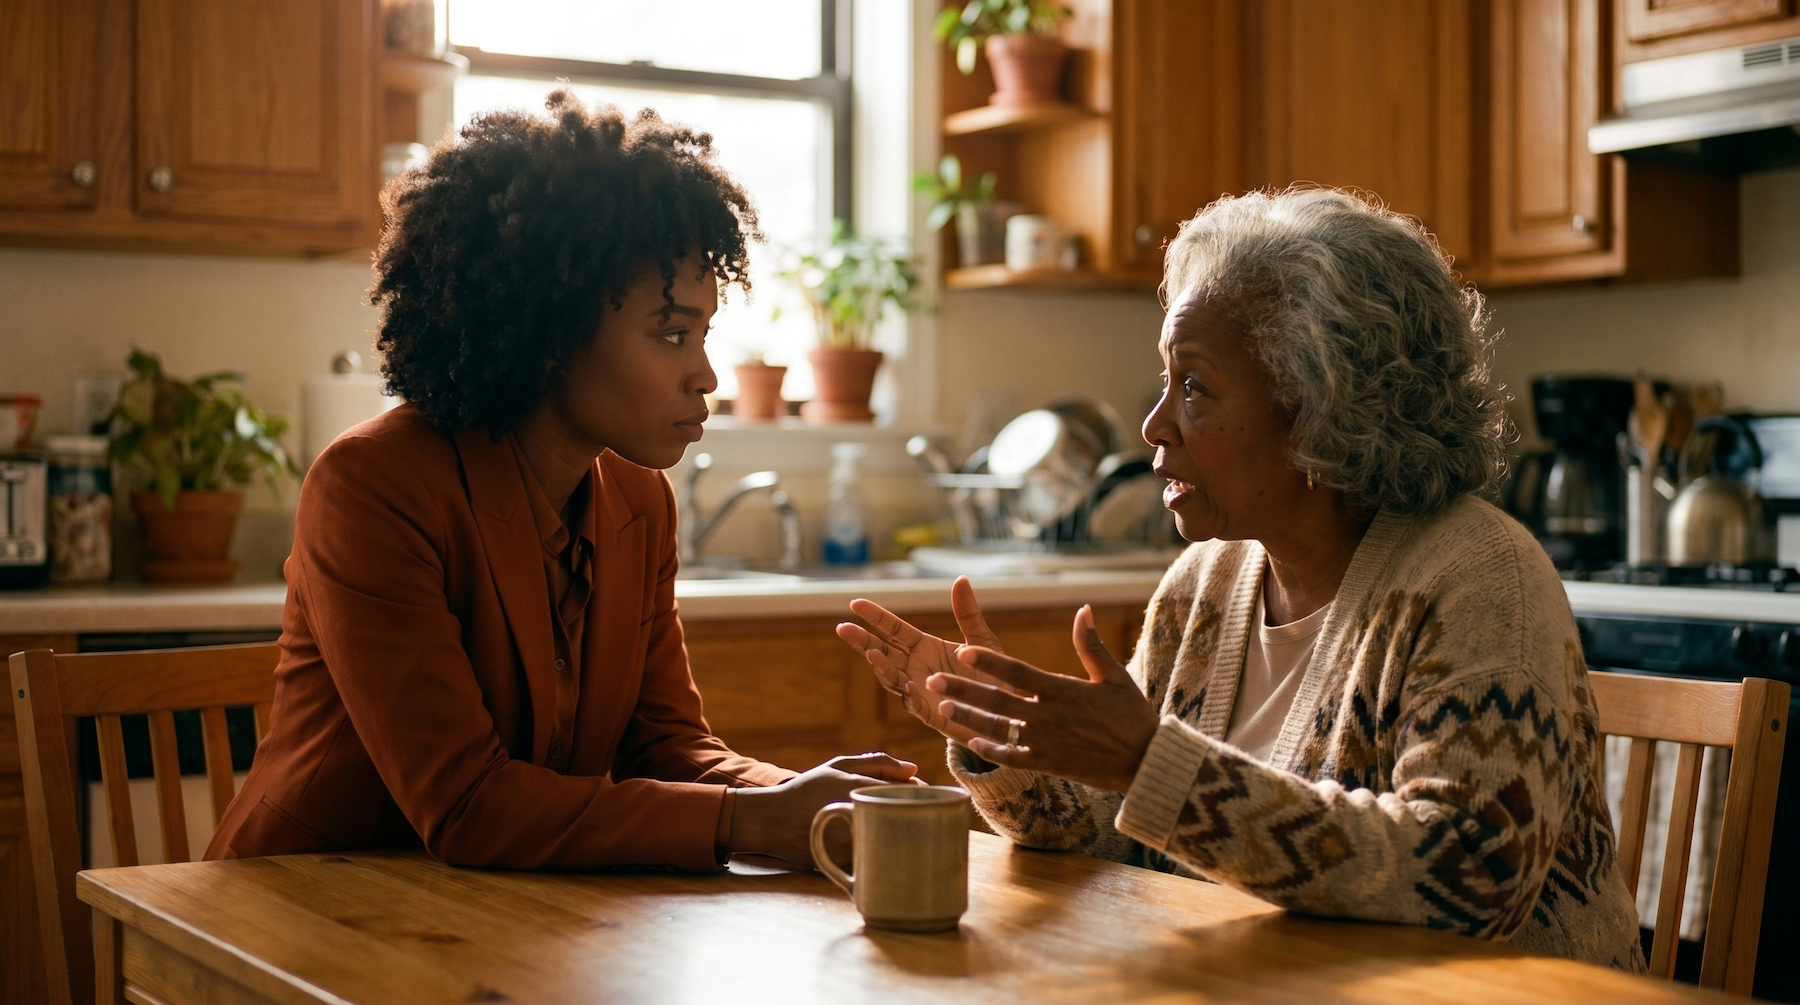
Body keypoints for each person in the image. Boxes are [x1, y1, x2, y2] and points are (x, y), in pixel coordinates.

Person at [837, 188, 1645, 969]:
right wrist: (1000, 735)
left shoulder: (1478, 576)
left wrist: (1147, 760)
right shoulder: (1206, 583)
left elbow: (1469, 880)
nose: (1155, 425)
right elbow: (1113, 828)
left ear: (1327, 408)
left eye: (1193, 386)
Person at [208, 93, 919, 872]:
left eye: (704, 334)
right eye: (671, 333)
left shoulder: (639, 500)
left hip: (496, 923)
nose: (706, 374)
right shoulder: (373, 485)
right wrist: (757, 820)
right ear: (551, 336)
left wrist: (811, 802)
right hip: (296, 913)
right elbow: (470, 806)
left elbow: (667, 744)